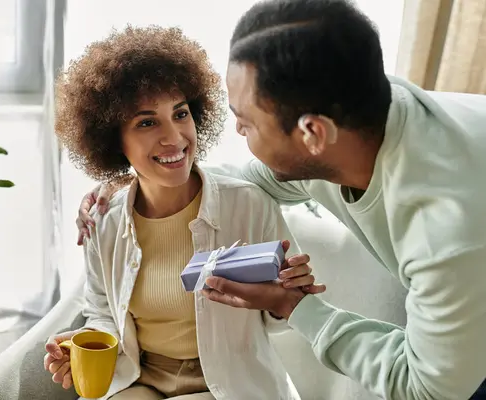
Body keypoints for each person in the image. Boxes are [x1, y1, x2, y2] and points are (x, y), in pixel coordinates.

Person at [75, 1, 486, 399]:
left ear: (312, 134)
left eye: (248, 122)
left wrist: (295, 306)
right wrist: (128, 179)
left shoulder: (446, 230)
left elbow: (429, 388)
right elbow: (245, 180)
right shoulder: (355, 102)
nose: (234, 130)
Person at [45, 25, 325, 400]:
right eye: (147, 122)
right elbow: (103, 312)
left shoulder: (248, 204)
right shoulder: (102, 221)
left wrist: (287, 298)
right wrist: (87, 343)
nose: (174, 137)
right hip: (139, 380)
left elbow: (281, 321)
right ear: (114, 142)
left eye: (180, 114)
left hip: (226, 384)